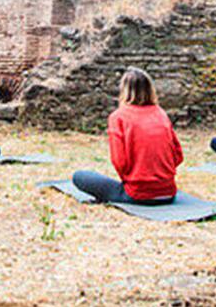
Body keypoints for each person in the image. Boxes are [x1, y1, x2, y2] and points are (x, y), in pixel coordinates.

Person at [71, 67, 184, 205]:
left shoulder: (118, 117)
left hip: (137, 194)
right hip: (168, 193)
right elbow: (178, 156)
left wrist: (135, 178)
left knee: (79, 177)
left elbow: (119, 161)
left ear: (124, 90)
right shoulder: (161, 114)